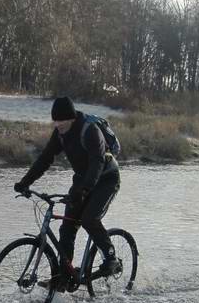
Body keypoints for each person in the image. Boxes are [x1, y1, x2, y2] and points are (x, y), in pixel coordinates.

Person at [13, 97, 121, 291]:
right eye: (55, 123)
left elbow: (97, 164)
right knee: (67, 226)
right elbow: (45, 159)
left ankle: (111, 257)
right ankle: (64, 278)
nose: (58, 127)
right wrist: (24, 182)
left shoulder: (90, 131)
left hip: (106, 178)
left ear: (71, 119)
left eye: (62, 123)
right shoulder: (60, 134)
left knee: (89, 219)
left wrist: (85, 191)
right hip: (82, 179)